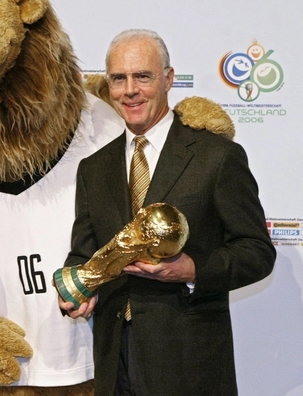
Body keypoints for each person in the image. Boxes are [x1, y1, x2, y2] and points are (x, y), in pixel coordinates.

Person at [59, 29, 276, 396]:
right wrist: (76, 289)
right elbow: (85, 252)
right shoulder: (93, 168)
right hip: (116, 362)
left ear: (168, 79)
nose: (130, 90)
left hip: (190, 363)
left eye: (142, 76)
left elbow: (256, 251)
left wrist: (191, 269)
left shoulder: (216, 157)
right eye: (118, 78)